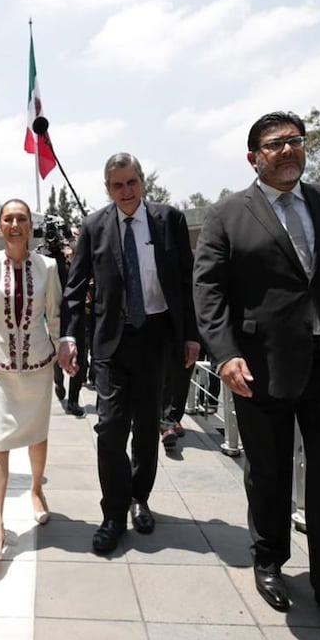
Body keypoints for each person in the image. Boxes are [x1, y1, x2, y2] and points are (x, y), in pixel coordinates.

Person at [193, 111, 320, 640]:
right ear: (254, 157)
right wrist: (224, 355)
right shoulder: (228, 214)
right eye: (276, 145)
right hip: (261, 368)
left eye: (295, 141)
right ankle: (269, 560)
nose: (288, 150)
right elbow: (208, 294)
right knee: (269, 474)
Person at [58, 153, 200, 556]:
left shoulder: (169, 220)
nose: (126, 191)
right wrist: (70, 337)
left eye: (132, 182)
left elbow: (185, 281)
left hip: (156, 338)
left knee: (145, 428)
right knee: (110, 428)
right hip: (111, 342)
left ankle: (140, 497)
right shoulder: (94, 226)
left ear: (142, 182)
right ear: (107, 188)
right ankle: (113, 514)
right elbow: (75, 287)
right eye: (117, 185)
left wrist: (190, 335)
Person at [0, 199, 61, 560]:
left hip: (37, 366)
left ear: (31, 225)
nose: (16, 224)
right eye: (9, 219)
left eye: (22, 218)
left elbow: (55, 317)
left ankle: (37, 489)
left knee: (37, 436)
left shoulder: (48, 266)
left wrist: (65, 348)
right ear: (0, 225)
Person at [51, 231, 86, 417]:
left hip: (79, 318)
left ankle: (73, 399)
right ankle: (58, 381)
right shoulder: (58, 266)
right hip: (57, 317)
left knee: (80, 360)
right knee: (57, 356)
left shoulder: (85, 268)